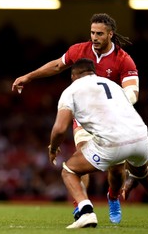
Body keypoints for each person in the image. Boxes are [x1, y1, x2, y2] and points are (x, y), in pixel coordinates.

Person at [11, 13, 139, 223]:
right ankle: (83, 207)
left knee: (116, 171)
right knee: (82, 157)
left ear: (110, 34)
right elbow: (57, 66)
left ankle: (113, 196)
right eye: (92, 33)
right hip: (85, 118)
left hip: (113, 120)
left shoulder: (124, 60)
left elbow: (132, 93)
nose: (95, 37)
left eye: (99, 34)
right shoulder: (80, 50)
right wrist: (29, 76)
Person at [48, 58, 148, 229]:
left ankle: (86, 211)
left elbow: (59, 129)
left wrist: (53, 148)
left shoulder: (71, 90)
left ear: (74, 76)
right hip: (141, 137)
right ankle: (109, 197)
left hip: (113, 142)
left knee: (69, 170)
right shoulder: (112, 85)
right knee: (142, 175)